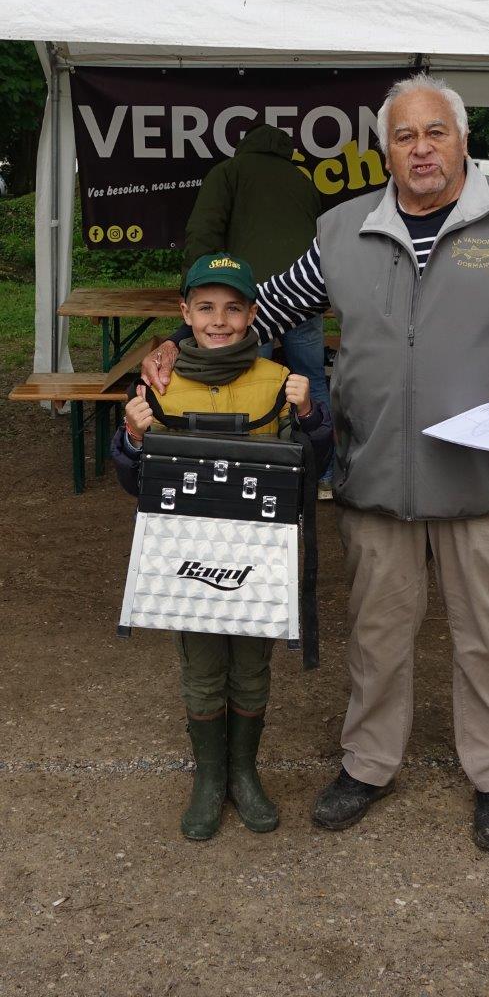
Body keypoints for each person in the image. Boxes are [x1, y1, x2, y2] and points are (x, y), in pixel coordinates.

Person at [143, 74, 489, 853]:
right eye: (403, 136)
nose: (421, 149)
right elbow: (270, 307)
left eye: (435, 133)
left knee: (488, 634)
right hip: (375, 470)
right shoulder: (341, 229)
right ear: (385, 151)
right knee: (378, 631)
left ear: (462, 141)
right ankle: (368, 764)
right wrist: (177, 351)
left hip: (484, 476)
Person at [113, 253, 331, 841]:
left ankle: (245, 772)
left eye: (233, 309)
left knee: (252, 667)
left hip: (258, 557)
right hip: (187, 556)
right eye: (205, 307)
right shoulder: (159, 382)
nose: (219, 320)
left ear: (252, 315)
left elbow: (317, 467)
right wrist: (132, 438)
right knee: (203, 668)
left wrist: (310, 414)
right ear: (184, 314)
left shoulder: (278, 383)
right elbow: (133, 479)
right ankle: (209, 778)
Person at [179, 121, 334, 498]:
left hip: (246, 298)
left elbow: (203, 230)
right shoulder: (302, 179)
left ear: (244, 145)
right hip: (302, 292)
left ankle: (248, 473)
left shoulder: (228, 172)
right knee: (311, 378)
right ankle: (326, 473)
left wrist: (197, 286)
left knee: (246, 379)